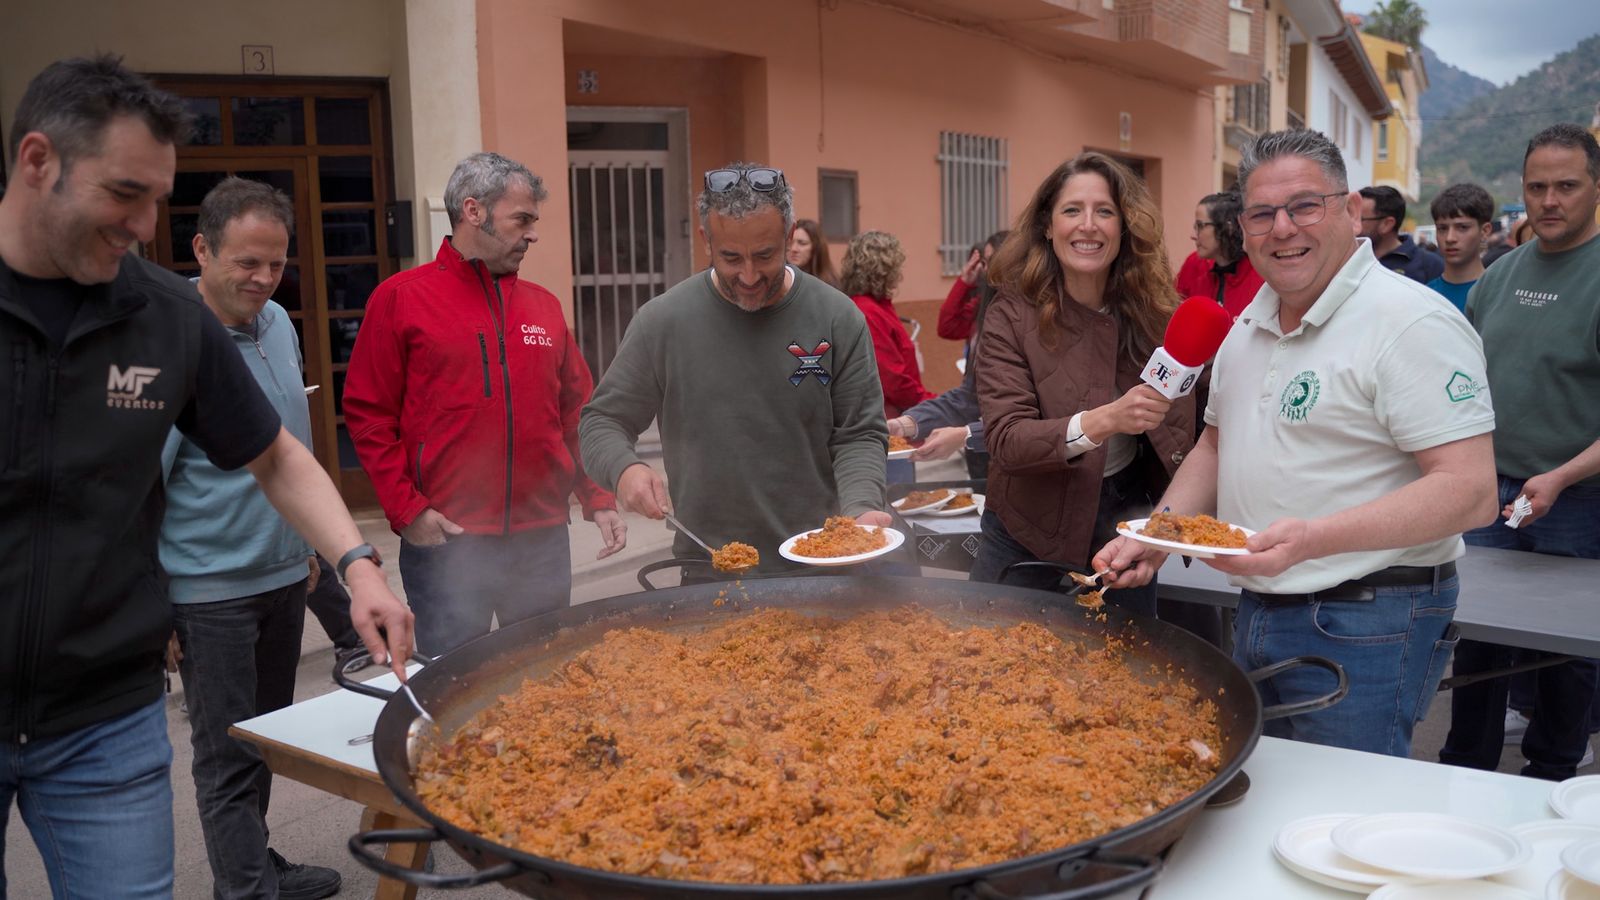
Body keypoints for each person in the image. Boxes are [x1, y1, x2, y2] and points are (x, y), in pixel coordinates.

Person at [0, 56, 413, 897]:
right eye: (125, 194)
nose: (146, 226)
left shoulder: (164, 314)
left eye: (159, 198)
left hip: (104, 714)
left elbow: (273, 452)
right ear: (37, 161)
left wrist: (356, 564)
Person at [1093, 129, 1498, 757]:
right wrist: (1160, 536)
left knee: (1344, 811)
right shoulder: (1247, 324)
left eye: (1305, 205)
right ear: (1245, 227)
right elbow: (1214, 447)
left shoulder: (1411, 322)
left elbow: (1471, 492)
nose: (1283, 228)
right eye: (1262, 213)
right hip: (1259, 605)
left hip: (1370, 615)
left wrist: (1312, 540)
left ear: (1351, 210)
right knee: (1268, 797)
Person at [344, 152, 623, 657]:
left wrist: (597, 497)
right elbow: (368, 415)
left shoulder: (543, 306)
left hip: (539, 539)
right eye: (523, 219)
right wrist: (408, 511)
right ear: (474, 212)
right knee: (452, 682)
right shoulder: (401, 299)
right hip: (447, 540)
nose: (533, 234)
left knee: (545, 675)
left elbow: (575, 413)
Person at [158, 177, 340, 899]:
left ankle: (255, 863)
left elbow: (288, 447)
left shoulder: (278, 324)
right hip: (208, 592)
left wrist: (307, 549)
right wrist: (158, 604)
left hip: (280, 574)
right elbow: (140, 487)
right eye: (247, 263)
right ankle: (245, 890)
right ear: (202, 250)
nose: (264, 280)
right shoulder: (169, 335)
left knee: (263, 741)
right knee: (226, 755)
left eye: (276, 264)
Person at [580, 163, 890, 577]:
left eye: (764, 255)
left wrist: (863, 508)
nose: (748, 276)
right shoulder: (663, 321)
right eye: (730, 257)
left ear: (788, 232)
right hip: (709, 568)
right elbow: (601, 421)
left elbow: (859, 433)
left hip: (822, 564)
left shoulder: (837, 317)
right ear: (706, 238)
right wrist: (624, 469)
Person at [1438, 123, 1600, 781]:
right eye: (1538, 187)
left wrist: (1560, 476)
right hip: (1487, 491)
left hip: (1578, 499)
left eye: (1567, 186)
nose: (1550, 200)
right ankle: (1463, 769)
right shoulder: (1499, 277)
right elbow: (1458, 386)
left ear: (1596, 187)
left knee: (1568, 652)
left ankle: (1553, 772)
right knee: (1477, 634)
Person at [971, 151, 1195, 619]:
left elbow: (1198, 432)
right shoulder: (1010, 315)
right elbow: (1007, 441)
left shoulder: (1157, 314)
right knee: (993, 668)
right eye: (1072, 210)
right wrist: (1106, 419)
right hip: (1024, 527)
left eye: (1105, 211)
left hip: (1121, 524)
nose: (1088, 225)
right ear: (1048, 227)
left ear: (1124, 228)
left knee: (1124, 673)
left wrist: (1168, 527)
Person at [841, 230, 934, 418]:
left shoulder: (877, 307)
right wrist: (933, 403)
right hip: (888, 417)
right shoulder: (868, 312)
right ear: (884, 270)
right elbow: (892, 379)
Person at [1174, 191, 1265, 319]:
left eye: (1200, 226)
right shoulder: (1193, 264)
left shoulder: (1260, 271)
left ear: (1228, 227)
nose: (1193, 236)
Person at [1425, 182, 1495, 313]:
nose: (1450, 238)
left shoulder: (1500, 295)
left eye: (1462, 227)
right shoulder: (1424, 296)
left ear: (1485, 231)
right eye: (1442, 228)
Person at [937, 230, 1010, 346]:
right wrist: (964, 282)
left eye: (988, 262)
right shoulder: (983, 303)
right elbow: (946, 327)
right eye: (983, 263)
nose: (983, 269)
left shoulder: (1023, 311)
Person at [1359, 184, 1444, 283]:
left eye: (1360, 219)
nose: (1352, 224)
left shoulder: (1430, 265)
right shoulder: (1348, 260)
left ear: (1387, 224)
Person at [787, 218, 838, 287]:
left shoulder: (829, 286)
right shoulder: (776, 282)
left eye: (802, 243)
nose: (794, 249)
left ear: (816, 248)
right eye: (790, 243)